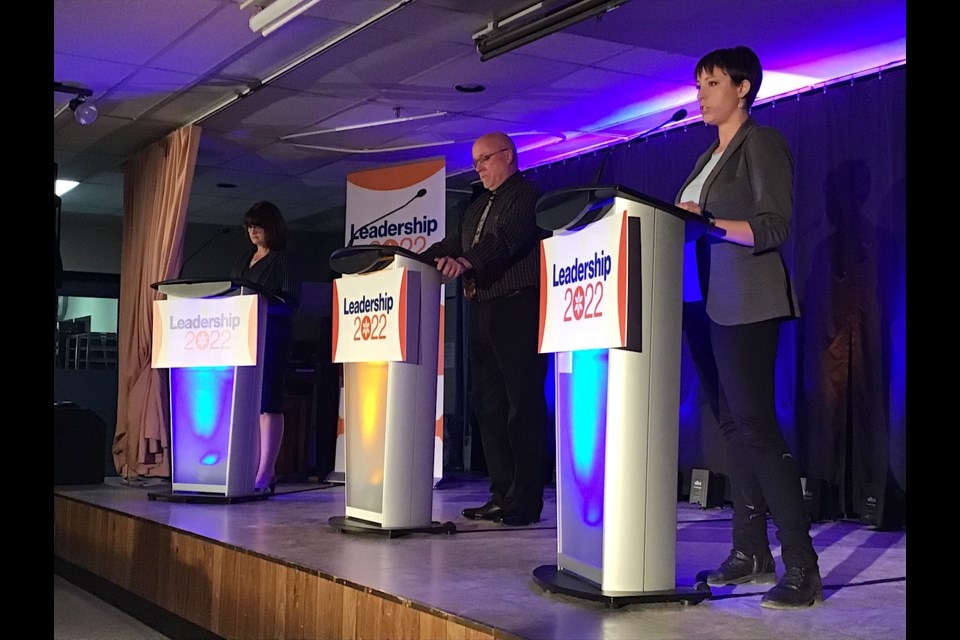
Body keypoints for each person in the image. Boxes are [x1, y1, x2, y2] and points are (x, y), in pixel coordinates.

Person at [675, 46, 822, 609]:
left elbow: (774, 226)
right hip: (703, 301)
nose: (701, 94)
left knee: (757, 427)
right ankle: (749, 550)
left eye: (710, 83)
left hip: (748, 300)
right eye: (698, 85)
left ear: (743, 88)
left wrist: (708, 222)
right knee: (731, 427)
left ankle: (802, 566)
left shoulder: (761, 142)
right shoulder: (705, 155)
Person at [421, 132, 548, 527]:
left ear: (508, 156)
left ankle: (526, 500)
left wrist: (467, 262)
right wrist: (411, 263)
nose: (478, 168)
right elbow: (453, 242)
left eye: (484, 159)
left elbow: (503, 241)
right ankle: (500, 493)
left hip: (518, 307)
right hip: (483, 309)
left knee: (521, 405)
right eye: (475, 162)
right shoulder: (477, 206)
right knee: (488, 406)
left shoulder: (527, 195)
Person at [229, 201, 302, 495]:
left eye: (257, 226)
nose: (252, 232)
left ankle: (266, 470)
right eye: (248, 227)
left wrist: (261, 306)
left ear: (271, 227)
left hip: (271, 334)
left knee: (268, 401)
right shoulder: (244, 258)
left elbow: (291, 301)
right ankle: (243, 466)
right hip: (240, 334)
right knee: (245, 403)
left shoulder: (284, 259)